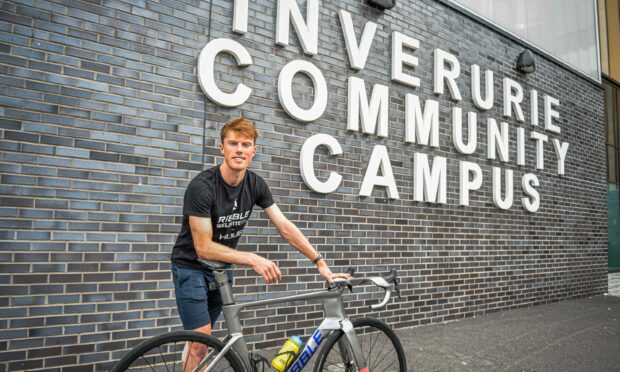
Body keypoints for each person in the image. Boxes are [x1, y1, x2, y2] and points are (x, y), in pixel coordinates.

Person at [170, 117, 348, 369]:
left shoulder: (255, 184)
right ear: (222, 147)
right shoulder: (202, 187)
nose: (239, 149)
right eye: (233, 143)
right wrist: (253, 258)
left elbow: (285, 227)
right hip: (191, 267)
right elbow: (203, 247)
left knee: (201, 342)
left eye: (245, 144)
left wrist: (319, 262)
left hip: (221, 269)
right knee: (199, 341)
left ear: (254, 150)